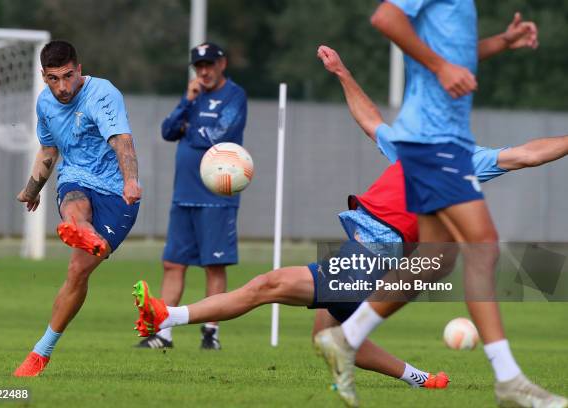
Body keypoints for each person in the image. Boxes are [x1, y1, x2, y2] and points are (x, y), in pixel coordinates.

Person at [129, 45, 568, 396]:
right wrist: (342, 73)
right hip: (360, 246)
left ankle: (165, 316)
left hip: (378, 255)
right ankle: (422, 379)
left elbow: (529, 154)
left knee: (270, 284)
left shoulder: (467, 160)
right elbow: (369, 118)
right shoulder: (408, 145)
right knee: (328, 334)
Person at [314, 5, 567, 408]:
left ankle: (346, 337)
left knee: (437, 259)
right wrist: (441, 67)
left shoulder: (460, 9)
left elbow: (526, 152)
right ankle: (508, 380)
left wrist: (502, 42)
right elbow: (385, 19)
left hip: (440, 142)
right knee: (482, 247)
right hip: (434, 141)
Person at [13, 40, 141, 377]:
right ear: (44, 77)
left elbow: (121, 140)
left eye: (69, 76)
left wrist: (130, 181)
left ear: (79, 70)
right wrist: (31, 190)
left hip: (116, 193)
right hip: (76, 179)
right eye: (54, 79)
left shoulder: (103, 94)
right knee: (73, 203)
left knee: (77, 272)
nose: (63, 87)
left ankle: (85, 234)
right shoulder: (45, 104)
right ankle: (40, 354)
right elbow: (48, 151)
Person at [139, 42, 247, 350]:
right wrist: (186, 104)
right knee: (173, 263)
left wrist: (192, 127)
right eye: (199, 66)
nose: (204, 71)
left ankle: (210, 333)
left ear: (222, 64)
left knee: (214, 267)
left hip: (216, 195)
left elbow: (221, 135)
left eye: (209, 64)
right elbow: (168, 130)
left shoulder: (235, 95)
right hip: (183, 194)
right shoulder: (193, 97)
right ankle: (163, 333)